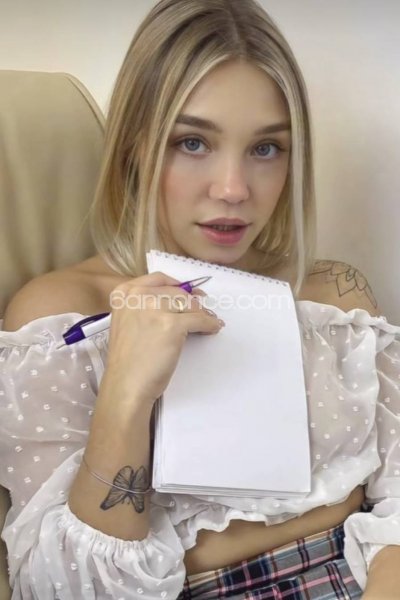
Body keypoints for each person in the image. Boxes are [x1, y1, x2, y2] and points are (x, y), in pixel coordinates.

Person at [0, 0, 399, 598]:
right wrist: (126, 395)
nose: (233, 189)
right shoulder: (58, 319)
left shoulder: (335, 297)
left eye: (266, 148)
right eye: (192, 142)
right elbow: (60, 589)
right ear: (135, 146)